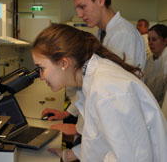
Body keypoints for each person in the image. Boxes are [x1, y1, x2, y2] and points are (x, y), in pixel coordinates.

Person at [33, 23, 167, 162]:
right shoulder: (92, 79)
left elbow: (131, 157)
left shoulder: (106, 89)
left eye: (41, 68)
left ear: (64, 63)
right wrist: (69, 155)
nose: (41, 77)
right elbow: (102, 138)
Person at [42, 0, 146, 146]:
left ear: (100, 0)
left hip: (116, 131)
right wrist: (69, 113)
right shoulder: (102, 33)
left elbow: (114, 97)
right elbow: (86, 80)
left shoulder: (123, 35)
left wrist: (80, 129)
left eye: (82, 7)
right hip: (100, 127)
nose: (79, 14)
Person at [144, 24, 167, 107]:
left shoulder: (165, 62)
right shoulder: (149, 61)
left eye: (154, 39)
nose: (150, 43)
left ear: (165, 41)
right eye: (149, 39)